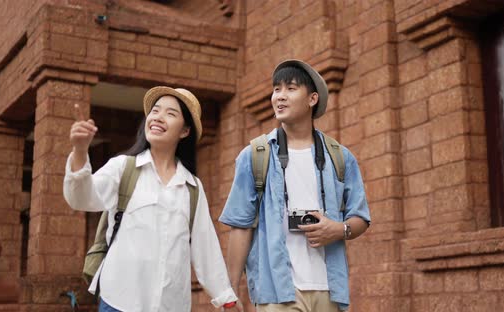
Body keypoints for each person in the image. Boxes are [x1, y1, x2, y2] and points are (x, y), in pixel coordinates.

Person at [64, 86, 241, 312]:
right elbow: (82, 199)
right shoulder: (123, 168)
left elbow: (205, 248)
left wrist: (225, 298)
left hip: (171, 305)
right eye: (155, 111)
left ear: (185, 131)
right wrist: (80, 152)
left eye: (170, 113)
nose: (158, 117)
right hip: (120, 302)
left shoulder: (192, 188)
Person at [219, 59, 371, 312]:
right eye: (276, 89)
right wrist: (230, 291)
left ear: (312, 99)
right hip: (277, 292)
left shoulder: (340, 157)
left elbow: (361, 218)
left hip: (329, 289)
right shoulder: (256, 155)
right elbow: (240, 226)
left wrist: (338, 229)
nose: (279, 96)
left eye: (290, 88)